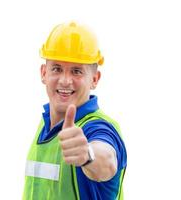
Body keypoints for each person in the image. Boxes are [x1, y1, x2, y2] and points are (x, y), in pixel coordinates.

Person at [23, 21, 127, 200]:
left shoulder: (97, 128)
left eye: (76, 71)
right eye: (56, 69)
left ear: (94, 79)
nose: (65, 80)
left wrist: (88, 155)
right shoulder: (45, 124)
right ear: (43, 73)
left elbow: (107, 160)